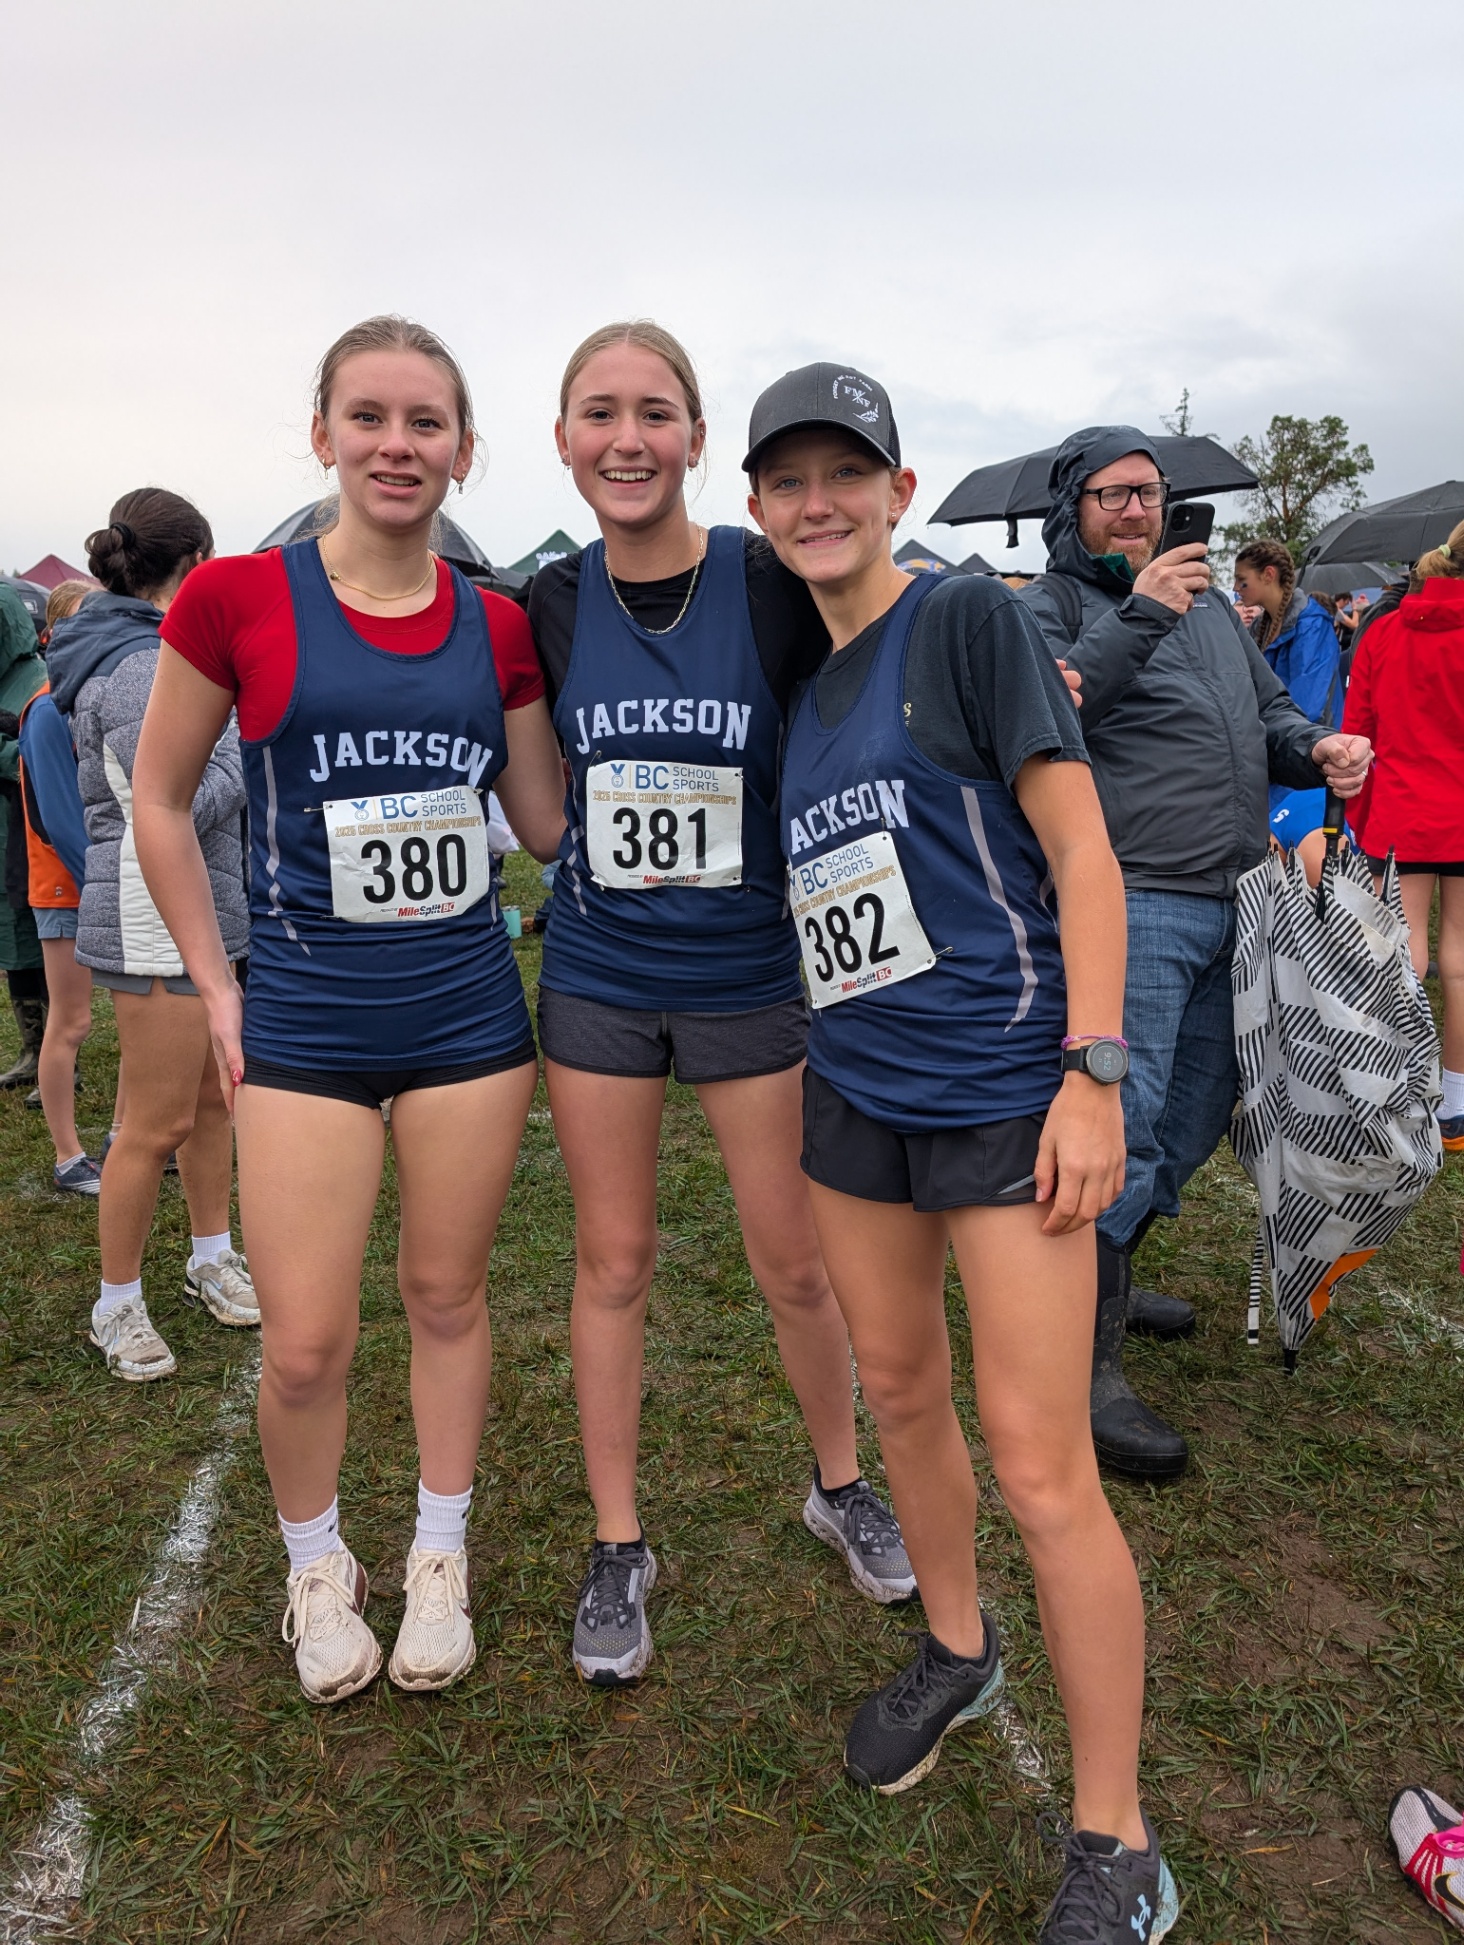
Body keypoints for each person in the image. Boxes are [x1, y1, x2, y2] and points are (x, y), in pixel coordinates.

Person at [745, 363, 1178, 1944]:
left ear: (898, 491)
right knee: (902, 1393)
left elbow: (1082, 854)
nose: (819, 502)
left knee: (1043, 1464)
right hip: (856, 1104)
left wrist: (1094, 1074)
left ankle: (1119, 1839)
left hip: (1005, 1095)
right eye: (789, 480)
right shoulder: (805, 699)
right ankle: (955, 1641)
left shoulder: (966, 623)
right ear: (759, 508)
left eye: (845, 473)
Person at [134, 315, 567, 1703]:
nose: (397, 444)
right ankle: (316, 1563)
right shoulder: (237, 600)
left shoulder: (500, 626)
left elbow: (548, 824)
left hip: (465, 1024)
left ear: (464, 450)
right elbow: (157, 799)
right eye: (369, 417)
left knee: (445, 1295)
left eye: (426, 421)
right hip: (306, 1023)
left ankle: (439, 1546)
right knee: (308, 1337)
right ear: (322, 433)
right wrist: (215, 981)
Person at [531, 322, 911, 1690]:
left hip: (755, 977)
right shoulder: (547, 602)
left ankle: (840, 1481)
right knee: (614, 1259)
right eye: (599, 413)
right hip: (601, 979)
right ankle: (617, 1539)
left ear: (697, 440)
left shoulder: (763, 578)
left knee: (797, 1261)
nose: (627, 439)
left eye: (655, 412)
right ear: (563, 439)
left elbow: (887, 635)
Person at [1018, 429, 1372, 1481]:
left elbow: (1265, 711)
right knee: (1118, 1127)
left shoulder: (1213, 605)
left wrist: (1314, 744)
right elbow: (1048, 708)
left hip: (1237, 894)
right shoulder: (1048, 608)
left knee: (1197, 1112)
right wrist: (1142, 612)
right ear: (1073, 510)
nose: (1137, 509)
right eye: (1113, 494)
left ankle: (1110, 1273)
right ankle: (1081, 1368)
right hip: (1133, 901)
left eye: (1150, 492)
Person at [46, 490, 260, 1375]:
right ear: (196, 561)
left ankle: (211, 1255)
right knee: (155, 1120)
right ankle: (117, 1302)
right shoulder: (140, 664)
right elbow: (166, 805)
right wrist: (245, 745)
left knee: (212, 1098)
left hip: (195, 907)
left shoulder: (141, 649)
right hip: (154, 914)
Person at [1342, 518, 1464, 1150]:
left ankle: (1404, 1092)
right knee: (1461, 959)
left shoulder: (1383, 631)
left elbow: (1357, 729)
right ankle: (1457, 1102)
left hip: (1399, 807)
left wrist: (1362, 815)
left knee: (1403, 955)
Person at [16, 579, 100, 1190]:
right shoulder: (47, 708)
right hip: (65, 889)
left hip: (96, 881)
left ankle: (120, 1135)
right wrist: (107, 881)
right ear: (53, 634)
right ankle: (68, 1156)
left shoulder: (82, 696)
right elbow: (59, 820)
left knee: (126, 1016)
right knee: (70, 1022)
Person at [0, 585, 49, 1093]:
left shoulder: (37, 681)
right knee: (13, 945)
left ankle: (58, 1057)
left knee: (40, 942)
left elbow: (42, 755)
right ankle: (32, 1049)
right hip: (3, 840)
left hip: (27, 836)